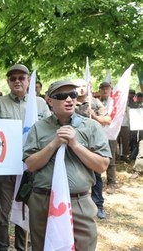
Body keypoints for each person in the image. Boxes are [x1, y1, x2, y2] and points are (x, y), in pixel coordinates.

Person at [23, 80, 111, 251]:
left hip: (79, 202)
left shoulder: (91, 126)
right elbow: (30, 165)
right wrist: (53, 144)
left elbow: (102, 166)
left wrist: (75, 145)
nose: (69, 99)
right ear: (50, 100)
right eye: (62, 96)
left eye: (73, 95)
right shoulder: (39, 128)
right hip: (44, 202)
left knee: (84, 246)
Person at [0, 64, 51, 251]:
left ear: (28, 81)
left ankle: (22, 247)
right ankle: (1, 248)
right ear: (8, 82)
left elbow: (48, 130)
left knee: (26, 211)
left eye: (21, 78)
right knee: (1, 213)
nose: (17, 81)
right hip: (5, 166)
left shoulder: (39, 104)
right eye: (13, 78)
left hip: (32, 167)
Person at [73, 79, 111, 219]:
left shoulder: (95, 102)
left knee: (96, 175)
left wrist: (93, 115)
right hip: (73, 145)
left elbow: (107, 120)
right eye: (78, 87)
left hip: (92, 145)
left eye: (84, 86)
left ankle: (98, 205)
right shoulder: (69, 101)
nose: (81, 89)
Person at [97, 82, 118, 195]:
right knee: (96, 157)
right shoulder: (95, 102)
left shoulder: (114, 103)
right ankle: (96, 181)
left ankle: (111, 183)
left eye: (107, 89)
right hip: (98, 134)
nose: (105, 91)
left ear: (111, 90)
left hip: (110, 133)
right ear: (99, 90)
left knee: (111, 159)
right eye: (103, 89)